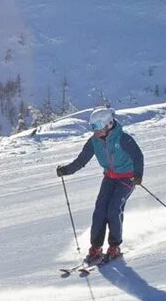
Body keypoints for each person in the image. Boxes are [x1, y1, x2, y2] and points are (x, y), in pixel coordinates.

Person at [56, 107, 144, 265]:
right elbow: (81, 160)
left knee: (113, 208)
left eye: (97, 126)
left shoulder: (123, 139)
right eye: (92, 127)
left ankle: (114, 247)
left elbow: (138, 156)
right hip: (110, 178)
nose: (95, 130)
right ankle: (96, 247)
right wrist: (66, 170)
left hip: (127, 178)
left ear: (109, 124)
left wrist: (138, 174)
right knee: (100, 210)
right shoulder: (94, 142)